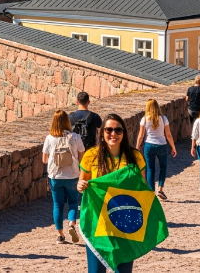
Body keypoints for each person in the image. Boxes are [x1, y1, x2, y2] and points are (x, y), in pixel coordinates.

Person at [78, 114, 146, 273]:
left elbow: (143, 188)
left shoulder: (135, 157)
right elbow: (82, 184)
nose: (113, 134)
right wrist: (80, 185)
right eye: (109, 130)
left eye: (118, 130)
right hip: (98, 223)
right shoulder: (91, 156)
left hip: (124, 224)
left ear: (124, 133)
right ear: (102, 133)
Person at [42, 110, 85, 243]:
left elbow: (44, 159)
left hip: (55, 176)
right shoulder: (76, 137)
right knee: (73, 202)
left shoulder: (49, 138)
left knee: (57, 205)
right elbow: (82, 157)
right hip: (72, 175)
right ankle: (72, 223)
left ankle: (60, 235)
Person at [136, 99, 177, 200]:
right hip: (161, 145)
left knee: (150, 169)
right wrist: (173, 146)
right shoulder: (163, 119)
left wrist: (137, 147)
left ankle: (151, 192)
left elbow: (141, 135)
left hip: (149, 145)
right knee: (163, 167)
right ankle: (160, 189)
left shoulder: (144, 119)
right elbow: (168, 134)